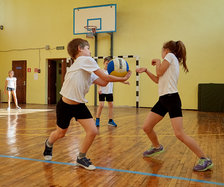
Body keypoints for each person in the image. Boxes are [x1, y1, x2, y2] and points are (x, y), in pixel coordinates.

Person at [43, 38, 131, 170]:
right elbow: (106, 79)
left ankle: (81, 157)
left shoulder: (87, 67)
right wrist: (122, 78)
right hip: (65, 105)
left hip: (79, 106)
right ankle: (49, 144)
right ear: (80, 48)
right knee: (61, 133)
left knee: (92, 131)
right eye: (88, 48)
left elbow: (103, 82)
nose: (90, 51)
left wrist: (111, 71)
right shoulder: (84, 60)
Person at [136, 40, 213, 172]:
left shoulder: (170, 57)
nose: (161, 53)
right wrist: (146, 71)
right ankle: (156, 147)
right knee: (147, 127)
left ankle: (205, 159)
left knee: (179, 133)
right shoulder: (169, 61)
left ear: (166, 50)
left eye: (162, 51)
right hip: (163, 100)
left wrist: (158, 62)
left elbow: (159, 72)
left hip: (172, 99)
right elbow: (157, 79)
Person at [95, 57, 129, 127]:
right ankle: (97, 119)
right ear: (104, 63)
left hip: (109, 91)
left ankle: (110, 120)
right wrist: (99, 89)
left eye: (109, 64)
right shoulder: (101, 71)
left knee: (111, 105)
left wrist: (124, 82)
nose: (107, 65)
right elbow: (98, 80)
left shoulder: (112, 72)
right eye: (106, 63)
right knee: (101, 105)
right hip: (102, 90)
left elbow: (117, 79)